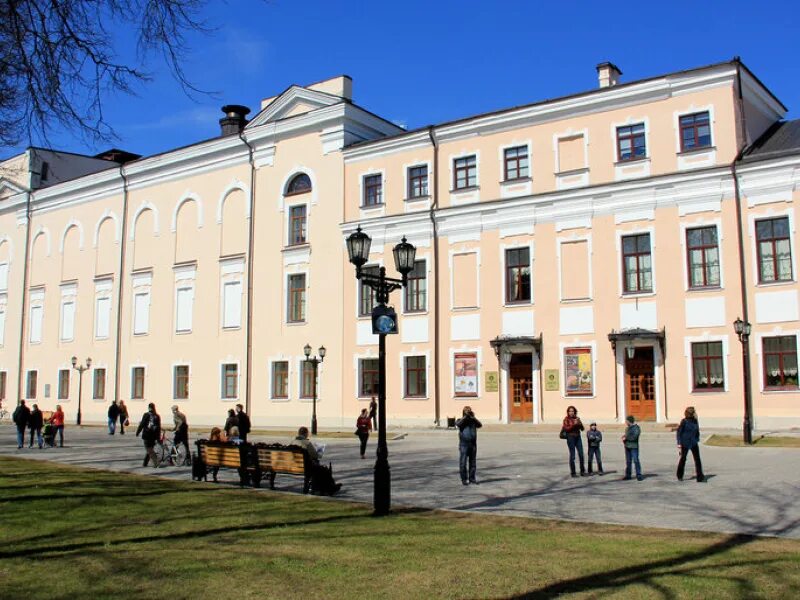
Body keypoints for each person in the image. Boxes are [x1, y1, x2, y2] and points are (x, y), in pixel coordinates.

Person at [293, 426, 341, 495]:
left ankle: (319, 488)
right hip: (306, 468)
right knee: (324, 469)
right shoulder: (306, 442)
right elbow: (315, 455)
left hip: (295, 466)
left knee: (318, 468)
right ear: (306, 434)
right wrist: (319, 451)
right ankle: (330, 488)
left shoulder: (293, 441)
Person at [677, 406, 705, 482]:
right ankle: (679, 475)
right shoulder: (684, 421)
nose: (695, 414)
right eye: (694, 412)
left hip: (693, 442)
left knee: (697, 459)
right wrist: (679, 443)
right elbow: (679, 432)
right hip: (685, 442)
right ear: (691, 413)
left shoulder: (695, 421)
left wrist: (697, 438)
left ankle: (699, 477)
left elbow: (697, 430)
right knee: (683, 458)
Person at [456, 405, 482, 485]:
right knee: (463, 462)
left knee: (473, 462)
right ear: (463, 412)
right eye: (467, 411)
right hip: (464, 444)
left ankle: (472, 478)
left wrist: (473, 417)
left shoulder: (473, 420)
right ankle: (464, 479)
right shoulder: (460, 420)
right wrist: (465, 417)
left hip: (473, 444)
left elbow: (480, 425)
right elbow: (459, 424)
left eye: (469, 411)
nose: (468, 412)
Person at [562, 406, 586, 477]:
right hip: (570, 437)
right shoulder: (566, 419)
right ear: (568, 412)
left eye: (572, 411)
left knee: (581, 454)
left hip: (578, 437)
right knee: (572, 455)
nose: (571, 412)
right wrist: (573, 424)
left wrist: (579, 423)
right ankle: (573, 472)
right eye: (570, 411)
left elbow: (582, 429)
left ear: (575, 412)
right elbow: (566, 429)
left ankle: (582, 471)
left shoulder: (577, 418)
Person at [136, 403, 162, 467]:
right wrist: (158, 437)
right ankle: (145, 463)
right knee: (150, 449)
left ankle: (156, 462)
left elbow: (142, 424)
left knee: (149, 449)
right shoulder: (157, 416)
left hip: (147, 434)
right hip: (154, 435)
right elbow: (158, 427)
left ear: (149, 408)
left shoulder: (146, 415)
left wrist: (138, 432)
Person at [622, 415, 643, 481]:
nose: (626, 422)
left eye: (626, 421)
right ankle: (628, 475)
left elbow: (634, 437)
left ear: (629, 421)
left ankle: (639, 475)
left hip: (634, 447)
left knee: (636, 460)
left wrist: (626, 438)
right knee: (628, 461)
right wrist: (623, 438)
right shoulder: (627, 428)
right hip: (627, 446)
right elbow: (627, 435)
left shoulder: (636, 428)